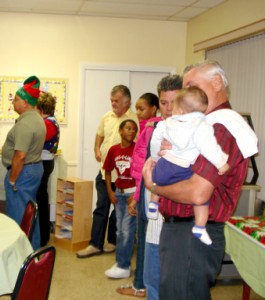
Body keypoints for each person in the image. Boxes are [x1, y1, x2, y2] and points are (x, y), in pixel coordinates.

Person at [142, 60, 258, 300]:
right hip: (180, 232)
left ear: (216, 83)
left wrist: (153, 185)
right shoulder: (197, 125)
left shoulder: (220, 127)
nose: (186, 93)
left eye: (191, 85)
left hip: (190, 236)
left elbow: (198, 193)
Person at [117, 74, 182, 299]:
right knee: (151, 266)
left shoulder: (191, 132)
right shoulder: (154, 129)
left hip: (172, 213)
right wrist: (138, 195)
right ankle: (143, 287)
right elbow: (142, 165)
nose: (169, 109)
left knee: (167, 273)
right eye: (164, 103)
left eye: (175, 102)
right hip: (150, 204)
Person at [148, 86, 229, 246]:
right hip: (184, 169)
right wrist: (221, 163)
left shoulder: (167, 123)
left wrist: (155, 156)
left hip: (165, 165)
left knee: (157, 181)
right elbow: (208, 148)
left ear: (180, 109)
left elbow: (155, 139)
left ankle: (153, 203)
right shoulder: (202, 126)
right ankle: (200, 226)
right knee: (200, 200)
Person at [76, 85, 138, 258]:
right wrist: (97, 148)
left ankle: (112, 241)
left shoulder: (135, 120)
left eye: (116, 101)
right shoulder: (107, 117)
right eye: (111, 100)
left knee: (117, 210)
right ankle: (95, 244)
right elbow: (99, 134)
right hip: (105, 171)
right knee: (101, 206)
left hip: (124, 176)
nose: (113, 103)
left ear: (127, 102)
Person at [2, 75, 46, 251]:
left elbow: (20, 156)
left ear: (26, 103)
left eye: (17, 100)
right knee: (29, 214)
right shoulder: (36, 118)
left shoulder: (26, 123)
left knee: (18, 215)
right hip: (32, 169)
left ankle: (21, 255)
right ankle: (32, 250)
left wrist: (12, 180)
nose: (14, 102)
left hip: (22, 172)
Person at [103, 119, 138, 279]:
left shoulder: (137, 149)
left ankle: (123, 265)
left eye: (134, 130)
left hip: (132, 194)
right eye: (129, 128)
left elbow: (142, 173)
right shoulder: (113, 150)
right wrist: (110, 191)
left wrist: (137, 193)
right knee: (119, 230)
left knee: (126, 230)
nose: (132, 132)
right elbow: (108, 171)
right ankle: (120, 262)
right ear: (121, 131)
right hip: (118, 193)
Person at [36, 91, 60, 247]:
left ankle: (43, 236)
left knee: (41, 198)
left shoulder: (48, 123)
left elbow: (37, 140)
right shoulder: (48, 121)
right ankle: (42, 235)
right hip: (44, 161)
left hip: (44, 162)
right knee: (41, 197)